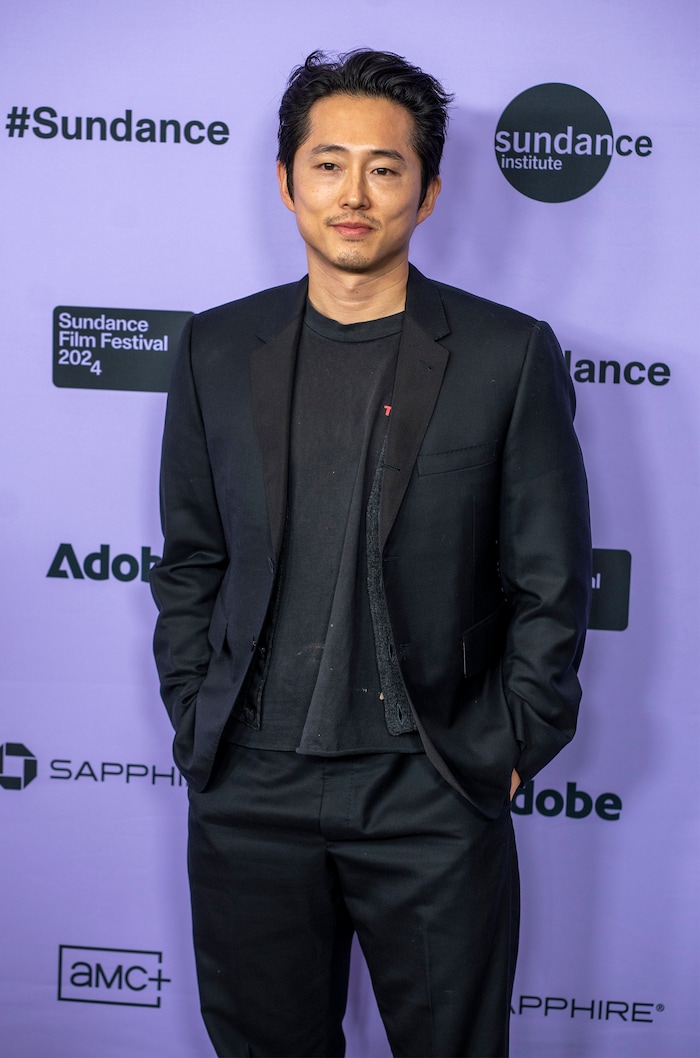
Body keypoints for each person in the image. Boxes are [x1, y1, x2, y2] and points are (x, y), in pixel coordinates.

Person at [150, 48, 591, 1058]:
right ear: (286, 180)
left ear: (428, 193)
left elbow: (551, 577)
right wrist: (194, 714)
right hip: (248, 787)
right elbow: (190, 559)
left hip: (428, 786)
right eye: (327, 163)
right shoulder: (214, 349)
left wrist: (511, 743)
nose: (354, 194)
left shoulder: (504, 353)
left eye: (385, 169)